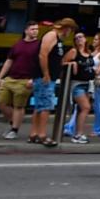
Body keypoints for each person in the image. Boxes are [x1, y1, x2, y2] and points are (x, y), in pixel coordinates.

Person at [31, 17, 77, 147]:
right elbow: (43, 54)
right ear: (67, 28)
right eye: (71, 31)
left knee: (40, 105)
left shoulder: (59, 40)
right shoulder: (52, 36)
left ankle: (34, 133)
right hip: (45, 76)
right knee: (46, 106)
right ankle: (42, 134)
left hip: (50, 76)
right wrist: (46, 73)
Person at [0, 21, 42, 140]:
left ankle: (14, 129)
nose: (35, 31)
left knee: (18, 106)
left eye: (36, 29)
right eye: (32, 29)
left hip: (25, 79)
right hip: (11, 78)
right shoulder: (18, 44)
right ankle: (13, 121)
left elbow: (41, 63)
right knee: (1, 102)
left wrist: (33, 79)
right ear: (26, 31)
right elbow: (9, 61)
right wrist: (0, 77)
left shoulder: (39, 45)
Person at [63, 31, 96, 143]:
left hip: (88, 83)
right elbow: (62, 62)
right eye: (76, 38)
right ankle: (78, 134)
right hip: (77, 84)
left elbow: (91, 66)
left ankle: (78, 133)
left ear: (85, 39)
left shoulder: (89, 52)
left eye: (81, 37)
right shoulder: (73, 51)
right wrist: (72, 64)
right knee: (86, 107)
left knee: (81, 109)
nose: (79, 39)